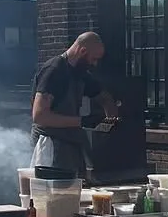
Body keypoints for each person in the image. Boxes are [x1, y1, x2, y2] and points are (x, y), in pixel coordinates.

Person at [30, 32, 118, 178]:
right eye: (93, 59)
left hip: (71, 145)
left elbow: (104, 97)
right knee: (54, 196)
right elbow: (40, 116)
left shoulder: (80, 73)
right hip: (50, 146)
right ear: (82, 51)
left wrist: (111, 118)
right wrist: (82, 121)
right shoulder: (54, 70)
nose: (95, 64)